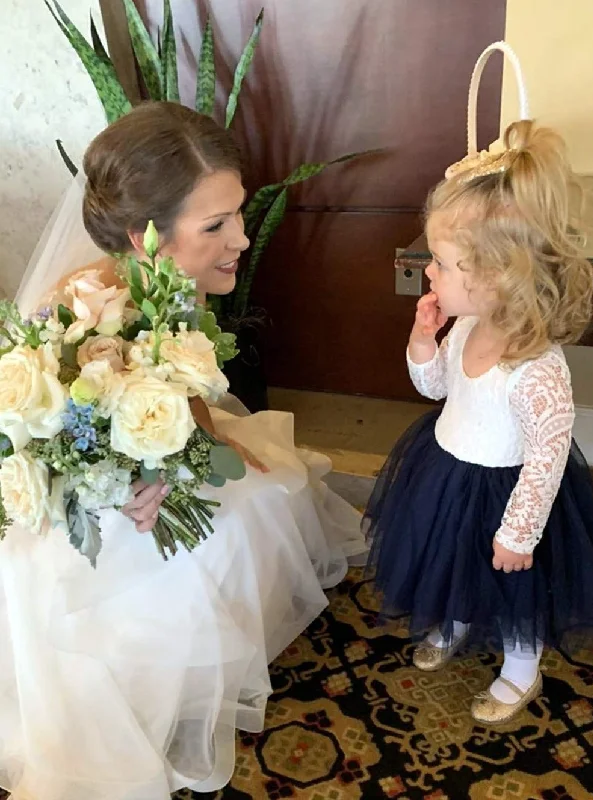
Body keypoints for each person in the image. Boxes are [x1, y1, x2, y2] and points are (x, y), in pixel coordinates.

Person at [0, 101, 367, 800]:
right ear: (146, 238)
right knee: (216, 543)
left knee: (270, 482)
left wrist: (206, 432)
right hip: (92, 509)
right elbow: (32, 432)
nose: (241, 240)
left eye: (236, 214)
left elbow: (180, 384)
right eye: (216, 225)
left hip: (153, 457)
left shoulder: (170, 284)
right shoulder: (77, 315)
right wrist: (117, 484)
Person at [364, 119, 593, 725]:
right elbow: (437, 388)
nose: (428, 271)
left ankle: (521, 665)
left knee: (512, 580)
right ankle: (456, 620)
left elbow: (547, 458)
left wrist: (519, 532)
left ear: (496, 275)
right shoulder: (465, 326)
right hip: (445, 471)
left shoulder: (536, 368)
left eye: (440, 261)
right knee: (449, 560)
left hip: (506, 491)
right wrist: (423, 339)